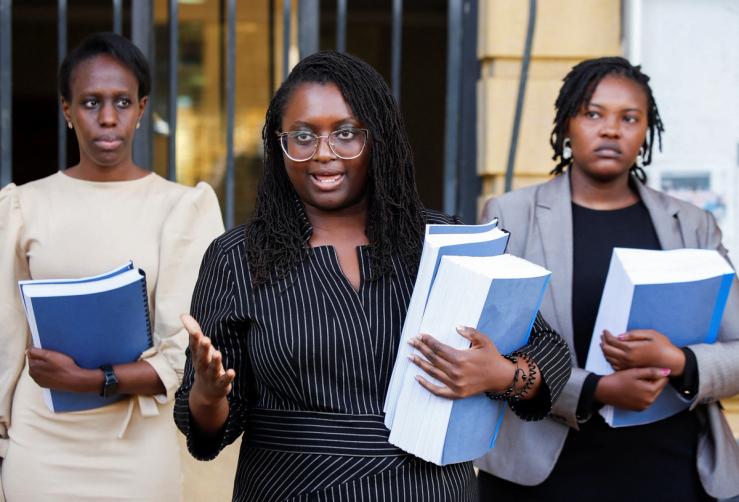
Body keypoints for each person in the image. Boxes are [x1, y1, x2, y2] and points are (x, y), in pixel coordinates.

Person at [174, 50, 571, 501]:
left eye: (345, 134)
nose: (323, 154)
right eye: (302, 136)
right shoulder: (238, 257)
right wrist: (208, 396)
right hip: (291, 489)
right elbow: (206, 435)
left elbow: (551, 353)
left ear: (377, 138)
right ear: (278, 145)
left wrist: (498, 373)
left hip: (430, 490)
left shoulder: (446, 245)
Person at [477, 57, 739, 501]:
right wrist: (594, 391)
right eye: (593, 113)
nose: (611, 130)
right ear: (566, 125)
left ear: (645, 132)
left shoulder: (692, 225)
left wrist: (681, 362)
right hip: (545, 474)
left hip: (674, 471)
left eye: (629, 118)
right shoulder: (511, 216)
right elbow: (490, 351)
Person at [0, 32, 224, 501]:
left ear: (142, 108)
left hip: (138, 446)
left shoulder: (182, 208)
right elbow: (7, 336)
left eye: (122, 101)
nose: (107, 117)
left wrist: (87, 380)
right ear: (66, 110)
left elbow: (181, 350)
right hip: (41, 441)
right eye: (90, 102)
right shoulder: (23, 205)